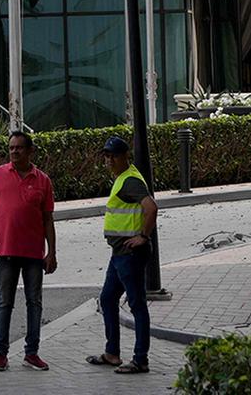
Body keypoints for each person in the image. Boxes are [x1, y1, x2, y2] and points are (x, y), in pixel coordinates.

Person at [0, 130, 56, 372]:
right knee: (4, 303)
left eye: (19, 148)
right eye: (11, 148)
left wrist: (51, 252)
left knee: (35, 303)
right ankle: (0, 354)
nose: (14, 152)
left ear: (30, 151)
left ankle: (32, 353)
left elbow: (48, 219)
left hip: (33, 254)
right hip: (6, 252)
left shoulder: (42, 180)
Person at [86, 137, 158, 375]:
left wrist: (143, 237)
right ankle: (112, 353)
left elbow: (151, 208)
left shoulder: (130, 181)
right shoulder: (123, 178)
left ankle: (140, 360)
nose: (109, 161)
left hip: (130, 253)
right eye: (106, 156)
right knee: (107, 298)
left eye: (113, 156)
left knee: (137, 304)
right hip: (119, 253)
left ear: (125, 156)